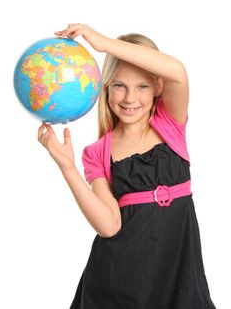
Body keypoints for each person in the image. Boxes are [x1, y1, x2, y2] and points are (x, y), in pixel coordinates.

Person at [38, 23, 217, 308]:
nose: (130, 98)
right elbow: (108, 226)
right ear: (106, 88)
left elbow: (178, 73)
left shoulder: (169, 124)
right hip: (119, 281)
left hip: (177, 278)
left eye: (142, 86)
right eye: (119, 85)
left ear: (158, 86)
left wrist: (104, 44)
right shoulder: (98, 152)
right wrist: (67, 167)